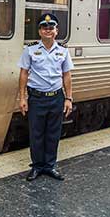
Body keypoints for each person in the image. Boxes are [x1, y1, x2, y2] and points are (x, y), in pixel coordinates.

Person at [18, 13, 74, 181]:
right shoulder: (30, 50)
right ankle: (36, 167)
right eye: (44, 27)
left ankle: (49, 166)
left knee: (53, 133)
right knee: (36, 134)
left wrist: (68, 99)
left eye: (51, 27)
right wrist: (22, 98)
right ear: (39, 31)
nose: (48, 30)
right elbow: (23, 74)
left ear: (56, 31)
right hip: (36, 98)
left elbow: (67, 76)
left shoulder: (63, 51)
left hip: (56, 97)